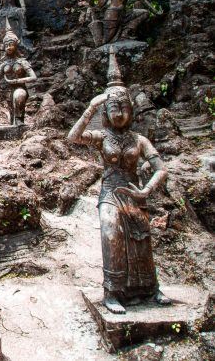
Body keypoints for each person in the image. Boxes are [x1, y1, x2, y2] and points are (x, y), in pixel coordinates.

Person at [68, 47, 170, 314]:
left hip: (135, 192)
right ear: (107, 110)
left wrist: (146, 190)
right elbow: (73, 137)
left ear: (132, 109)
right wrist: (91, 107)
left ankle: (150, 288)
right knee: (111, 234)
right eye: (114, 107)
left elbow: (161, 168)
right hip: (111, 192)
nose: (120, 113)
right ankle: (112, 291)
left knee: (141, 240)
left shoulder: (139, 139)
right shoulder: (103, 137)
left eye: (124, 107)